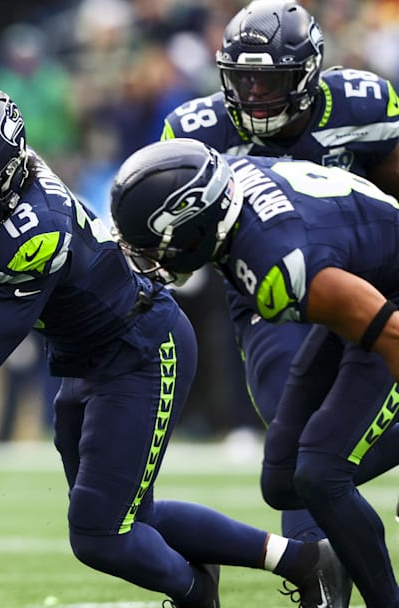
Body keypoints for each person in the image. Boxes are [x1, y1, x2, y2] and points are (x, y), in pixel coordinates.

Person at [0, 84, 347, 608]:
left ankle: (200, 593)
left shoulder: (33, 232)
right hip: (89, 357)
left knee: (100, 534)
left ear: (7, 178)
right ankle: (303, 560)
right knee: (129, 516)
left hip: (140, 351)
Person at [108, 137, 399, 608]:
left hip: (385, 306)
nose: (153, 260)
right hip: (363, 282)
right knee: (284, 479)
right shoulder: (221, 186)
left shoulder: (277, 263)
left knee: (321, 474)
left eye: (157, 246)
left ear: (197, 227)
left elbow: (391, 334)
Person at [160, 0, 399, 539]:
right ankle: (317, 559)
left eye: (270, 80)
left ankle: (323, 543)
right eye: (242, 80)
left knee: (321, 448)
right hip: (268, 289)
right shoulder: (197, 131)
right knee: (291, 425)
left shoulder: (359, 106)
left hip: (365, 272)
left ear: (308, 73)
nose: (254, 94)